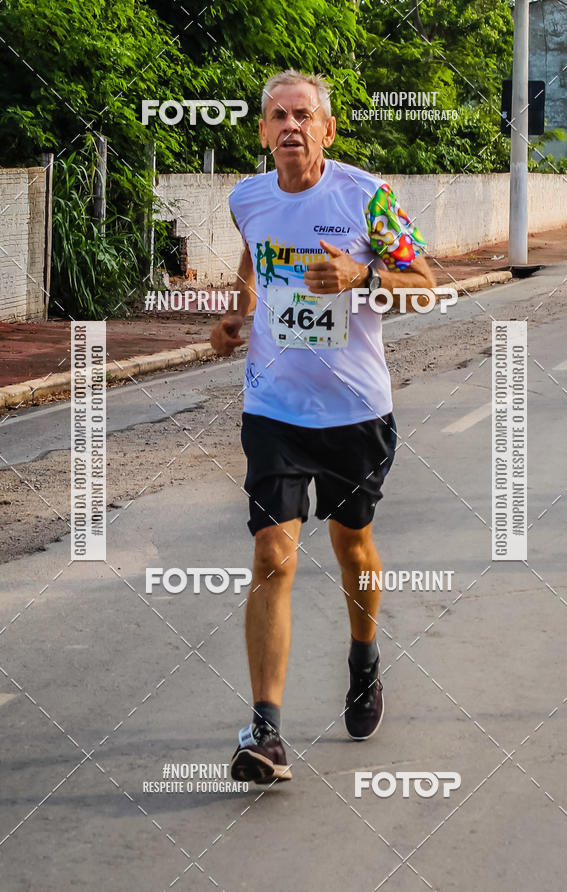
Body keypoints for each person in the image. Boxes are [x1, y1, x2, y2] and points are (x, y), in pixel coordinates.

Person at [210, 69, 435, 785]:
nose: (290, 127)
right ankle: (267, 732)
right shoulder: (247, 198)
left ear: (327, 129)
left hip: (355, 412)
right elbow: (252, 264)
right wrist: (239, 312)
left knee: (351, 544)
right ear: (261, 130)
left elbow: (427, 282)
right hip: (273, 407)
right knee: (274, 554)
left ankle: (364, 656)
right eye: (277, 116)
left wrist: (362, 281)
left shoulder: (368, 197)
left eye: (303, 115)